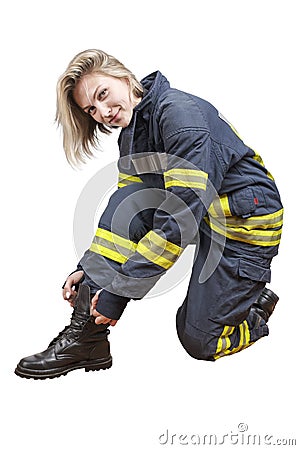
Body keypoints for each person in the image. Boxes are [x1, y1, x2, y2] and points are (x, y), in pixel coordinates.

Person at [15, 49, 283, 379]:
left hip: (245, 220)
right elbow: (128, 210)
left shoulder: (180, 117)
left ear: (124, 78)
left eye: (102, 95)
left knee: (200, 341)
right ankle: (87, 339)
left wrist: (117, 295)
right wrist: (91, 269)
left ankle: (254, 309)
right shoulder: (131, 135)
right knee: (131, 199)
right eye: (91, 109)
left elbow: (179, 222)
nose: (102, 113)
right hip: (201, 213)